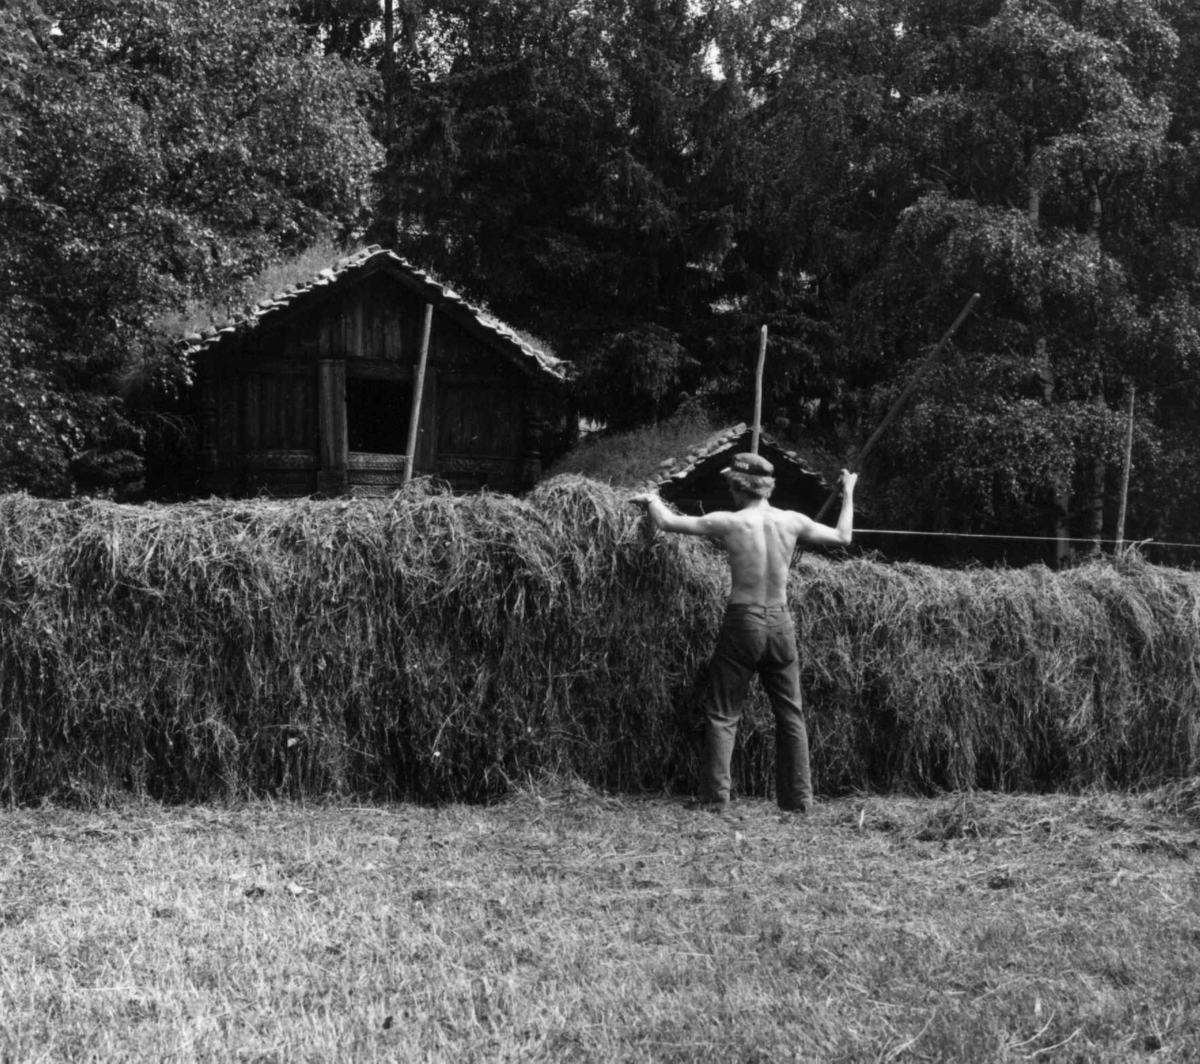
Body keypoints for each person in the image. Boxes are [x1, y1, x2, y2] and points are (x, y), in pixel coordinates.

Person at [631, 454, 856, 816]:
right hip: (781, 624)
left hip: (743, 622)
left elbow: (669, 522)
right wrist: (848, 492)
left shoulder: (729, 522)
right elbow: (844, 537)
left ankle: (715, 798)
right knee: (790, 714)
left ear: (738, 486)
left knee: (723, 712)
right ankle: (798, 801)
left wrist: (651, 500)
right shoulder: (793, 521)